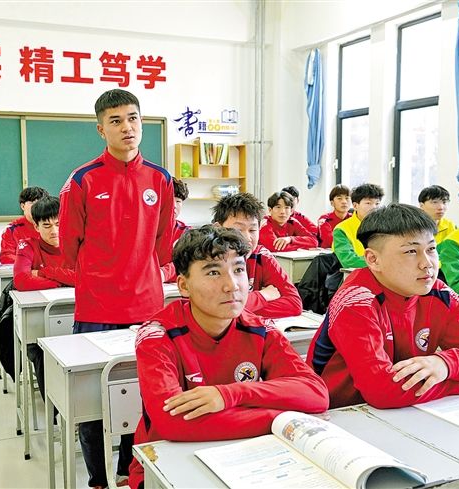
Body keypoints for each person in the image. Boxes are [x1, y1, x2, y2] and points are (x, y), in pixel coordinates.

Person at [128, 226, 329, 489]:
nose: (231, 285)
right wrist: (279, 419)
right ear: (184, 286)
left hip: (247, 457)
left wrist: (229, 394)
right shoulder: (158, 335)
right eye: (213, 272)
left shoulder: (260, 328)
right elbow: (172, 422)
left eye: (238, 269)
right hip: (165, 466)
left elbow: (316, 394)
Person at [59, 89, 174, 489]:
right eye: (116, 121)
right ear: (100, 129)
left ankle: (129, 469)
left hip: (147, 307)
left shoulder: (160, 179)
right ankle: (97, 479)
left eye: (133, 118)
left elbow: (163, 244)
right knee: (91, 403)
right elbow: (69, 245)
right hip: (97, 307)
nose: (127, 127)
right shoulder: (83, 180)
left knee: (143, 397)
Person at [307, 204, 459, 409]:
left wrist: (445, 364)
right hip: (339, 413)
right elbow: (382, 391)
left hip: (410, 407)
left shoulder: (439, 295)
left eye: (431, 249)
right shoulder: (356, 301)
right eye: (411, 251)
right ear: (373, 259)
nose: (427, 263)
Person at [12, 196, 75, 406]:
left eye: (58, 223)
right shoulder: (27, 245)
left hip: (76, 319)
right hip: (40, 326)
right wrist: (64, 281)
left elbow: (85, 278)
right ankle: (54, 410)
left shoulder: (76, 244)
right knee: (42, 353)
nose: (54, 231)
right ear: (36, 227)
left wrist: (44, 272)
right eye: (47, 226)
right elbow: (21, 280)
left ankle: (73, 408)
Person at [213, 193, 302, 318]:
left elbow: (294, 304)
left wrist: (241, 308)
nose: (247, 238)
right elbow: (214, 308)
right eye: (238, 230)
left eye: (252, 230)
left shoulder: (262, 256)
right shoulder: (208, 260)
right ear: (218, 228)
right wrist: (262, 296)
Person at [332, 183, 384, 268]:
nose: (374, 207)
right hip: (357, 273)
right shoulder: (342, 229)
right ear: (355, 206)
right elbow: (349, 261)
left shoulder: (385, 227)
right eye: (368, 203)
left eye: (377, 203)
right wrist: (381, 263)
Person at [0, 186, 49, 264]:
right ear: (23, 206)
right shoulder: (11, 229)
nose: (37, 207)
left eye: (40, 203)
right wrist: (31, 263)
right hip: (25, 269)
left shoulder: (54, 226)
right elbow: (6, 256)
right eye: (32, 203)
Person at [161, 177, 192, 282]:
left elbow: (187, 263)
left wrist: (163, 273)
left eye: (178, 201)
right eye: (170, 200)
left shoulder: (186, 232)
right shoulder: (144, 229)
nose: (174, 205)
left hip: (173, 287)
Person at [317, 184, 352, 248]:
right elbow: (330, 241)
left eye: (347, 198)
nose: (344, 202)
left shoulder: (353, 218)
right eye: (339, 198)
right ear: (332, 203)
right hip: (329, 252)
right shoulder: (324, 219)